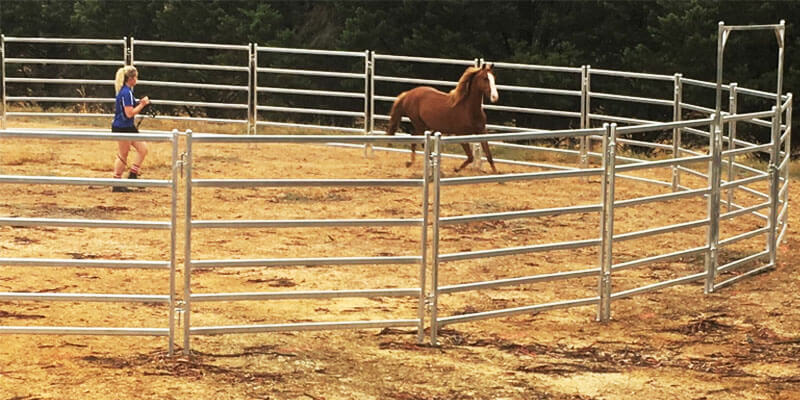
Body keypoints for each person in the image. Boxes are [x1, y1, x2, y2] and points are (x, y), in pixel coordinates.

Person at [111, 65, 150, 192]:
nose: (137, 79)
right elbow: (129, 113)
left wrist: (139, 103)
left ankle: (133, 173)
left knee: (142, 149)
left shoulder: (127, 91)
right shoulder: (126, 92)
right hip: (122, 127)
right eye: (136, 77)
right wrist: (142, 105)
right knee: (123, 154)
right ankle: (116, 181)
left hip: (127, 126)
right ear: (131, 78)